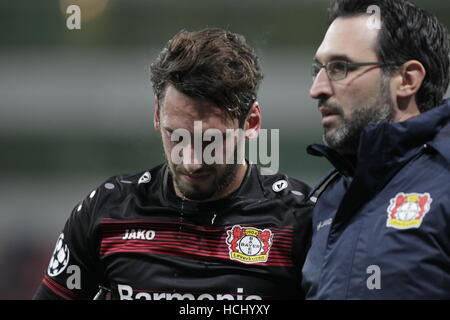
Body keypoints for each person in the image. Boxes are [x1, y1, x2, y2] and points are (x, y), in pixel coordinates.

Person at [33, 28, 313, 300]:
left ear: (251, 123)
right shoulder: (108, 210)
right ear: (157, 115)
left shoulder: (299, 219)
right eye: (176, 137)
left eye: (210, 141)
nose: (191, 163)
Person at [301, 0, 450, 299]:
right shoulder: (327, 199)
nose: (317, 89)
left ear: (407, 80)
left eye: (339, 68)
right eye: (318, 69)